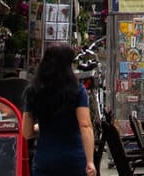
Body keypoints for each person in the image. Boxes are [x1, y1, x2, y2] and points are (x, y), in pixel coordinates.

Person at [23, 43, 94, 176]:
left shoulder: (33, 91)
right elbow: (85, 125)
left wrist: (44, 127)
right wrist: (90, 162)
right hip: (73, 159)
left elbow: (26, 132)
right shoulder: (78, 91)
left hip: (45, 160)